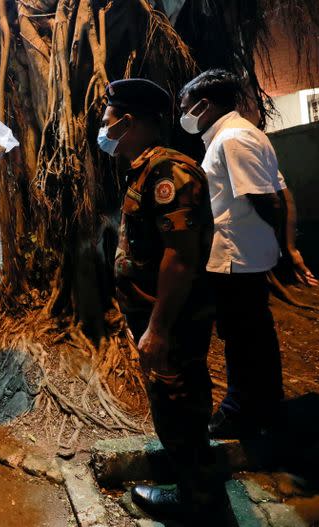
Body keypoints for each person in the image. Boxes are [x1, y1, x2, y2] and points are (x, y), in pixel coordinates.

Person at [102, 78, 232, 523]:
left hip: (173, 323)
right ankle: (193, 486)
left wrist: (157, 328)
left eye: (108, 122)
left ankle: (198, 502)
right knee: (172, 405)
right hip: (161, 320)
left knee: (180, 407)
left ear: (128, 122)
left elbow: (179, 257)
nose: (104, 131)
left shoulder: (169, 173)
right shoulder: (143, 169)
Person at [178, 69, 296, 438]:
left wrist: (279, 242)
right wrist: (282, 245)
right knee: (252, 333)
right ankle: (265, 407)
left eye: (186, 108)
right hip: (242, 255)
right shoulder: (240, 134)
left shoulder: (232, 139)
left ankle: (239, 411)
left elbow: (267, 198)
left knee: (243, 335)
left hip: (236, 258)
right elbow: (279, 194)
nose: (183, 116)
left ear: (205, 105)